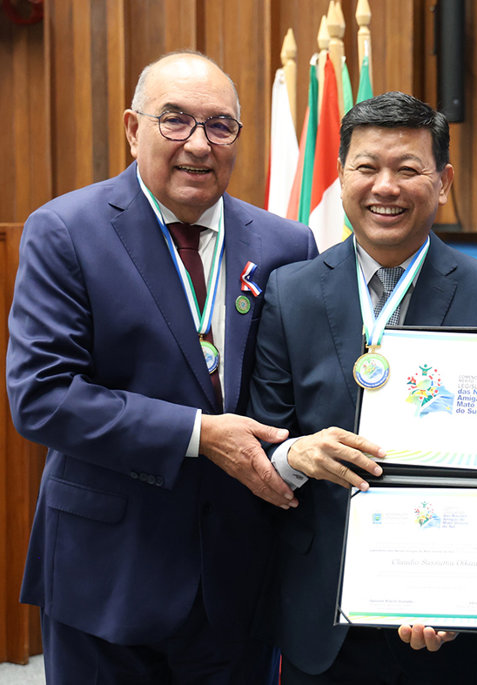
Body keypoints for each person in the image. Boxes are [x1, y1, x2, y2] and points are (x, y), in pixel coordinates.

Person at [6, 51, 318, 683]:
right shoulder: (66, 230)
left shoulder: (287, 244)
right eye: (174, 120)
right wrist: (198, 434)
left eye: (220, 125)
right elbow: (43, 396)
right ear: (132, 129)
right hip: (108, 573)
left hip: (240, 579)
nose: (199, 144)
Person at [247, 91, 477, 685]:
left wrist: (465, 597)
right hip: (321, 614)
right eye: (366, 167)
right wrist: (296, 454)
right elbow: (264, 436)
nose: (385, 187)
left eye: (408, 169)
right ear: (342, 177)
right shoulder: (290, 292)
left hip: (443, 614)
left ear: (443, 182)